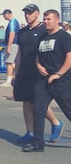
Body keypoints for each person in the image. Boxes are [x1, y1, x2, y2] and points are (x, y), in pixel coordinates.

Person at [12, 4, 64, 145]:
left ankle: (56, 122)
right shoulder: (22, 32)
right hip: (25, 72)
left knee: (37, 102)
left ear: (37, 14)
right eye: (26, 13)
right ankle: (30, 132)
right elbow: (20, 54)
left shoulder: (44, 30)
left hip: (40, 72)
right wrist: (15, 75)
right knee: (26, 101)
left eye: (30, 13)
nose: (27, 15)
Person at [22, 9, 71, 152]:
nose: (46, 21)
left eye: (49, 19)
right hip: (43, 80)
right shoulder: (43, 37)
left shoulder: (64, 37)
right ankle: (38, 143)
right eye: (45, 19)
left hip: (61, 80)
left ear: (57, 20)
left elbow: (69, 57)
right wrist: (38, 66)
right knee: (38, 109)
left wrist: (59, 74)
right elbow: (38, 55)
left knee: (68, 110)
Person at [0, 9, 21, 87]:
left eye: (3, 15)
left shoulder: (12, 23)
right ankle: (16, 78)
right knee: (13, 63)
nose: (3, 17)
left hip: (12, 44)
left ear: (7, 14)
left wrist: (9, 46)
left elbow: (12, 34)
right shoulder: (15, 22)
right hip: (14, 44)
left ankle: (9, 80)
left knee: (9, 62)